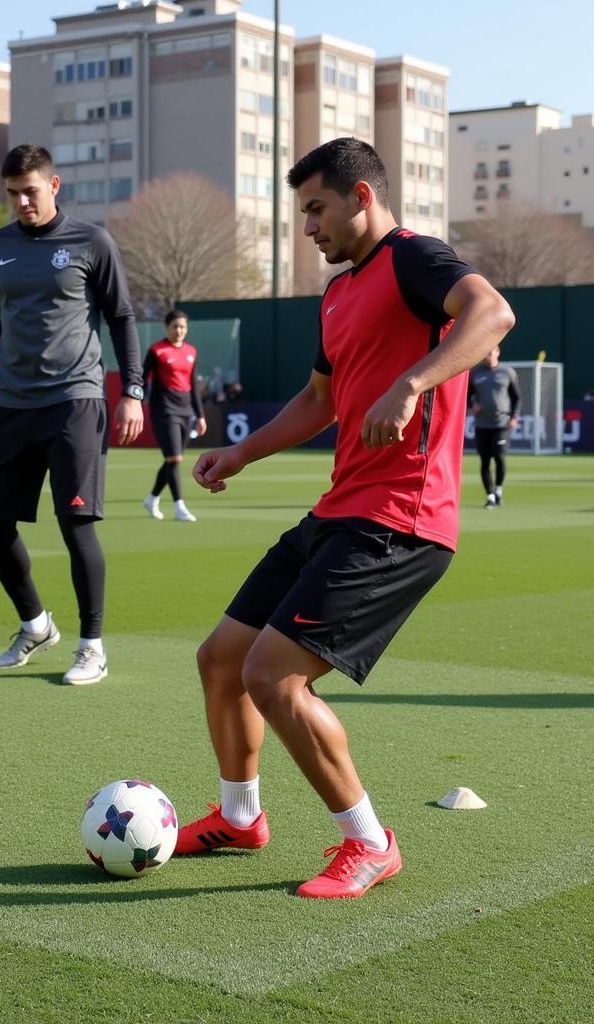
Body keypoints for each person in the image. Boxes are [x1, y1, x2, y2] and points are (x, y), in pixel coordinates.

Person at [175, 137, 515, 898]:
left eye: (316, 208)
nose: (308, 227)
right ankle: (240, 818)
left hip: (402, 520)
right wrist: (242, 454)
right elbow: (318, 402)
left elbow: (492, 313)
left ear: (362, 198)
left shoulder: (415, 258)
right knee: (221, 660)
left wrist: (412, 384)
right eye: (303, 212)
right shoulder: (336, 295)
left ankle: (370, 842)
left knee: (275, 677)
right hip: (338, 510)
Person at [0, 143, 144, 686]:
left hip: (75, 400)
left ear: (53, 186)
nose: (21, 203)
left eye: (30, 192)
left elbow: (123, 317)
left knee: (75, 524)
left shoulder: (91, 241)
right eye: (12, 194)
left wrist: (132, 389)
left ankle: (92, 646)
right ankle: (35, 624)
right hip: (13, 404)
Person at [141, 309, 207, 522]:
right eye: (175, 326)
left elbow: (194, 385)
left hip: (186, 410)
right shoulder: (157, 350)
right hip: (164, 409)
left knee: (173, 461)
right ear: (166, 327)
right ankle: (180, 507)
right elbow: (142, 378)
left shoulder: (191, 351)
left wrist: (200, 415)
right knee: (175, 458)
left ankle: (152, 499)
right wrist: (138, 401)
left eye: (183, 327)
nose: (179, 331)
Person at [468, 347, 519, 508]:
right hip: (482, 424)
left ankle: (498, 490)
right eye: (486, 353)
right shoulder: (476, 373)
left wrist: (514, 416)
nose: (488, 356)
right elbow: (467, 396)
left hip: (501, 423)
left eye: (491, 353)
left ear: (497, 353)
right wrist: (473, 405)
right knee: (484, 461)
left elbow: (516, 397)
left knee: (499, 457)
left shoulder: (507, 372)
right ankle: (490, 495)